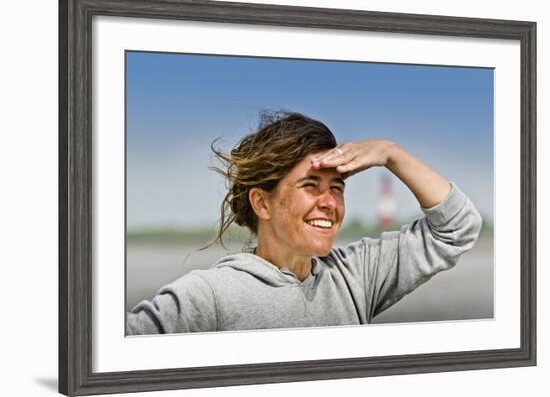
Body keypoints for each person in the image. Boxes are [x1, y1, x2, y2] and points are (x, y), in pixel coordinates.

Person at [126, 112, 482, 335]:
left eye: (337, 188)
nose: (329, 203)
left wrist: (391, 153)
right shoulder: (209, 296)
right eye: (311, 186)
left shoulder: (356, 276)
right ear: (262, 202)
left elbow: (457, 227)